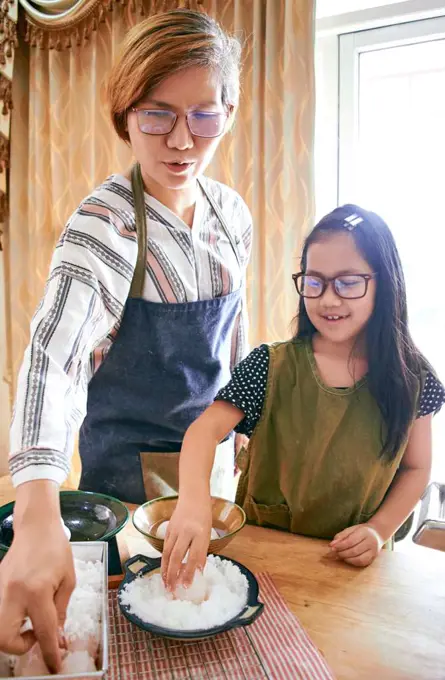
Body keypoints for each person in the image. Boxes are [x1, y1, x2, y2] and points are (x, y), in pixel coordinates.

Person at [0, 9, 252, 672]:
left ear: (229, 108)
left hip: (213, 476)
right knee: (138, 634)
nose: (180, 140)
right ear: (123, 114)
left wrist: (249, 433)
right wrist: (35, 511)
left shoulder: (232, 216)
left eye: (203, 113)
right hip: (124, 487)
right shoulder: (105, 225)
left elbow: (235, 342)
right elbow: (51, 358)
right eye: (155, 113)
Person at [161, 204, 445, 590]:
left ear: (385, 283)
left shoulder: (414, 379)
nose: (328, 299)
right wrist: (193, 503)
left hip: (351, 568)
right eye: (315, 282)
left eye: (348, 282)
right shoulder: (270, 365)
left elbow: (416, 469)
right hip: (264, 555)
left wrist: (379, 531)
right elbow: (204, 431)